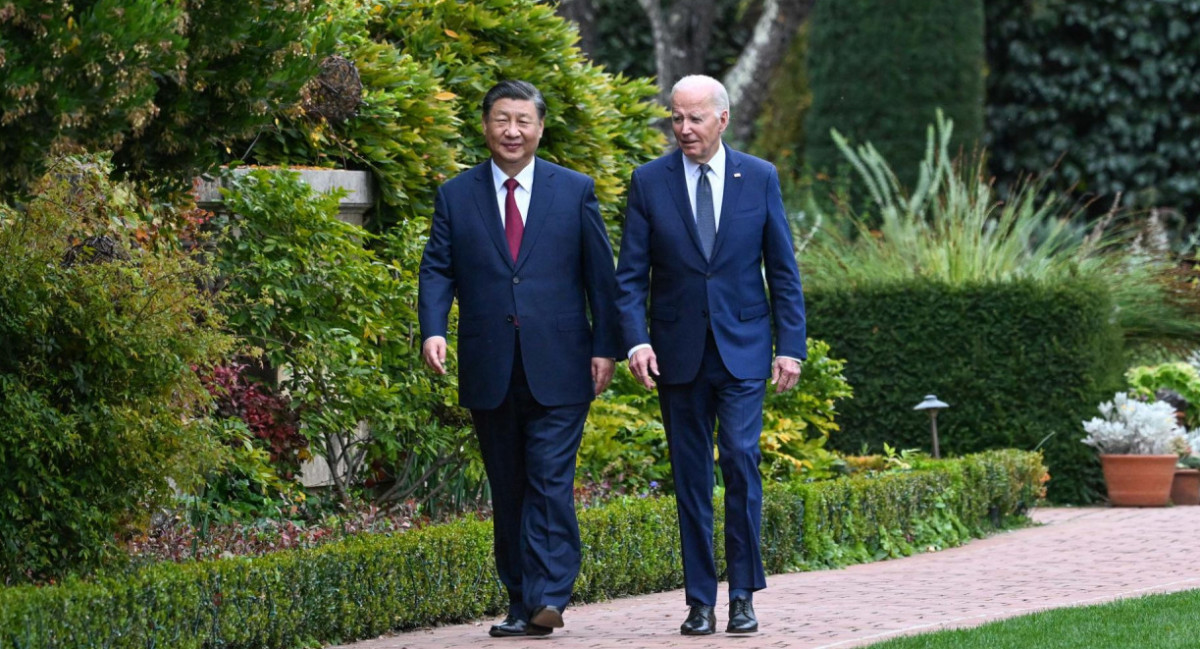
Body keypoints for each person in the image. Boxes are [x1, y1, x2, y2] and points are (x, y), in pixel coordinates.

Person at [418, 79, 620, 637]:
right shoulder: (456, 195)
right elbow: (438, 268)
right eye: (502, 119)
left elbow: (601, 277)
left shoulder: (573, 189)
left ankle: (550, 594)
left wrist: (607, 346)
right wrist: (433, 329)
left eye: (523, 121)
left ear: (539, 127)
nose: (512, 130)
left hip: (562, 364)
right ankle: (518, 602)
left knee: (550, 480)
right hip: (490, 365)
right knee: (508, 488)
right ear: (485, 125)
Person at [614, 74, 807, 636]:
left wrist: (789, 347)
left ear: (723, 119)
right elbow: (630, 277)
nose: (684, 129)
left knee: (741, 463)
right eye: (676, 117)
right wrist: (637, 338)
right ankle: (700, 600)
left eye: (695, 118)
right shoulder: (649, 182)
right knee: (690, 478)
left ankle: (743, 594)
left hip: (743, 350)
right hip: (676, 354)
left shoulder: (760, 177)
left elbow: (784, 272)